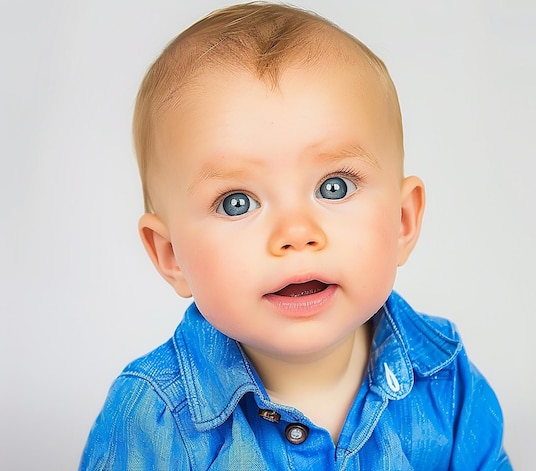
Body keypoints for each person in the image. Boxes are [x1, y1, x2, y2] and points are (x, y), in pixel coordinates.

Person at [80, 2, 512, 469]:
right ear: (171, 256)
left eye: (334, 187)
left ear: (402, 221)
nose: (296, 233)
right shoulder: (154, 418)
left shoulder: (444, 379)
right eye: (236, 202)